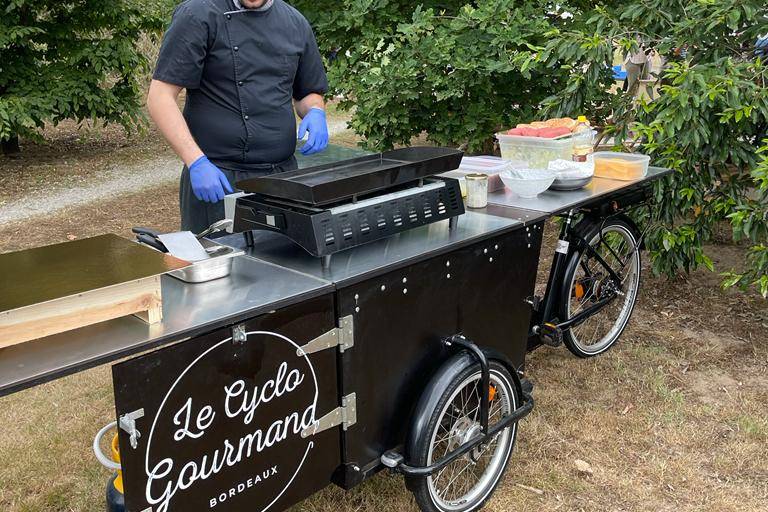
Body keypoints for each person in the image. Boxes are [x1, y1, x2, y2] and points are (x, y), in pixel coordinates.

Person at [147, 0, 329, 233]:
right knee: (219, 265)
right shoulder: (198, 15)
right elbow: (160, 97)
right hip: (218, 179)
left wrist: (315, 111)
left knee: (283, 262)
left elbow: (308, 92)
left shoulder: (295, 22)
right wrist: (196, 162)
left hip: (283, 178)